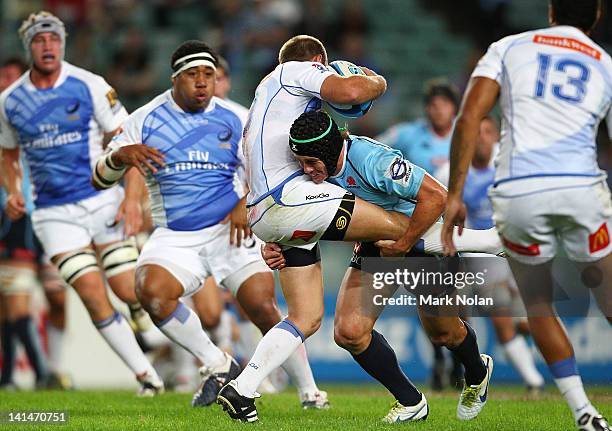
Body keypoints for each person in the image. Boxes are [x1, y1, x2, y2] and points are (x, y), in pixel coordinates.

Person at [215, 35, 494, 423]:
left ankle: (477, 372)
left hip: (416, 234)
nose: (310, 170)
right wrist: (283, 238)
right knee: (348, 331)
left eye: (313, 164)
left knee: (444, 333)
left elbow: (437, 196)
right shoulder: (305, 158)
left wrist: (407, 242)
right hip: (378, 242)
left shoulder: (366, 155)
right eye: (304, 164)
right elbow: (305, 213)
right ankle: (412, 403)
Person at [93, 39, 328, 409]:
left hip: (229, 232)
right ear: (175, 79)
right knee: (150, 291)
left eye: (209, 74)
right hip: (176, 235)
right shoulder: (144, 119)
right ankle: (219, 363)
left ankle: (310, 392)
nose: (203, 82)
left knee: (263, 306)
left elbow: (267, 171)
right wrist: (121, 156)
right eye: (193, 74)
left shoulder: (237, 118)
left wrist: (243, 201)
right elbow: (99, 178)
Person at [441, 1, 611, 430]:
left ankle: (584, 413)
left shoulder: (509, 47)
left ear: (551, 11)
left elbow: (468, 118)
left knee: (537, 304)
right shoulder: (605, 63)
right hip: (581, 189)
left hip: (519, 192)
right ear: (598, 16)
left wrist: (455, 195)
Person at [0, 11, 162, 395]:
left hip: (103, 198)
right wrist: (13, 189)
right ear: (29, 47)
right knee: (88, 293)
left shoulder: (89, 85)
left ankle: (144, 319)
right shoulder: (9, 102)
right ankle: (147, 377)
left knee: (126, 288)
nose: (48, 46)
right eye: (39, 40)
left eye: (54, 39)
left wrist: (132, 199)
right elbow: (7, 154)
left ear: (63, 43)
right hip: (53, 212)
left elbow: (126, 143)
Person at [436, 116, 545, 393]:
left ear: (496, 137)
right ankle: (529, 380)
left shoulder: (510, 166)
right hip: (473, 253)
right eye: (476, 132)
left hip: (512, 249)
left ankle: (537, 378)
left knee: (513, 320)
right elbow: (439, 214)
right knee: (470, 316)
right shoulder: (449, 172)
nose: (481, 138)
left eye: (487, 132)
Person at [377, 78, 463, 389]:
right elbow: (375, 151)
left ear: (454, 109)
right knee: (426, 295)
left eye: (442, 104)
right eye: (432, 104)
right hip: (415, 226)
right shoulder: (408, 134)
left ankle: (455, 359)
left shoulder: (464, 138)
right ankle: (441, 358)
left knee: (456, 297)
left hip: (454, 228)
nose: (436, 109)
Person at [376, 78, 460, 175]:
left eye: (445, 104)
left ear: (455, 108)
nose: (439, 111)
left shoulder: (467, 135)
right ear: (426, 108)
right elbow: (373, 148)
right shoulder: (408, 133)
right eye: (434, 105)